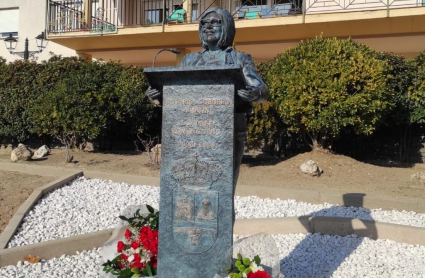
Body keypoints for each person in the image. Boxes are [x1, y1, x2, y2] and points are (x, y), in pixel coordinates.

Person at [145, 7, 269, 199]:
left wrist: (254, 93)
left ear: (226, 26)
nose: (208, 27)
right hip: (190, 130)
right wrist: (159, 95)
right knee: (190, 187)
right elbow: (179, 93)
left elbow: (262, 90)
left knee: (223, 192)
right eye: (203, 23)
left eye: (215, 22)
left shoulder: (239, 58)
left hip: (229, 131)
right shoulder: (190, 60)